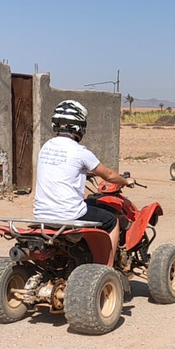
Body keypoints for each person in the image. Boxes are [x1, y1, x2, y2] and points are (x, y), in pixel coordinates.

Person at [33, 100, 134, 265]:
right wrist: (125, 180)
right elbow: (108, 175)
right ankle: (107, 269)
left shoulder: (46, 147)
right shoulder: (80, 152)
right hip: (69, 214)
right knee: (112, 221)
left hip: (41, 214)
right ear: (79, 126)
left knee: (88, 205)